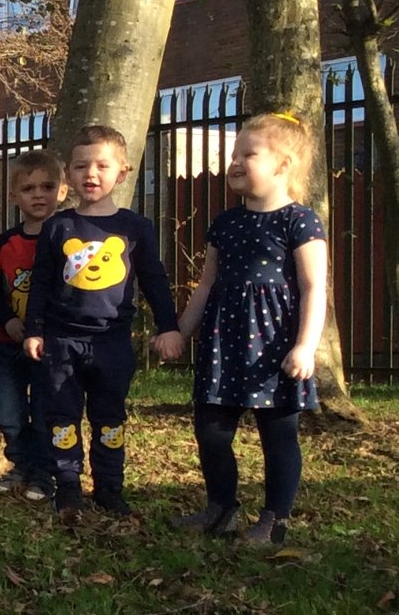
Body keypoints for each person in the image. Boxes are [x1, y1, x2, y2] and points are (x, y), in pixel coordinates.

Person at [170, 111, 328, 545]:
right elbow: (206, 285)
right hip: (225, 344)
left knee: (278, 437)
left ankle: (274, 522)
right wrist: (181, 331)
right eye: (233, 154)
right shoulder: (225, 223)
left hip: (274, 348)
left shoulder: (300, 220)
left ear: (283, 165)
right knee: (211, 431)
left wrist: (304, 347)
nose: (235, 162)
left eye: (248, 154)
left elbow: (314, 287)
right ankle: (220, 510)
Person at [23, 126, 183, 520]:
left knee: (109, 417)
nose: (90, 174)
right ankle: (69, 486)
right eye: (80, 166)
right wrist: (34, 330)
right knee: (62, 416)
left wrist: (169, 326)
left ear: (122, 173)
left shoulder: (133, 227)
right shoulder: (57, 227)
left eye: (101, 165)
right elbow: (41, 281)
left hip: (112, 342)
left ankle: (110, 487)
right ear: (69, 173)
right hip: (61, 342)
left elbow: (154, 280)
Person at [0, 150, 63, 500]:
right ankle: (20, 463)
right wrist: (7, 319)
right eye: (28, 188)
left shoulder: (68, 240)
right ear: (14, 196)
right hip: (6, 344)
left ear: (61, 192)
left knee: (46, 411)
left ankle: (44, 472)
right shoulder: (5, 244)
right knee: (9, 412)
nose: (38, 194)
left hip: (50, 345)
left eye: (47, 187)